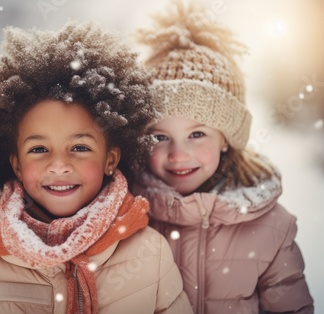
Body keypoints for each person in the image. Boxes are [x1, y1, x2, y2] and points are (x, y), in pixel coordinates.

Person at [0, 21, 193, 314]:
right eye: (39, 149)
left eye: (79, 148)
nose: (59, 165)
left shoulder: (150, 254)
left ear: (110, 159)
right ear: (17, 165)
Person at [131, 3, 314, 314]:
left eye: (197, 134)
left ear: (226, 139)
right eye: (159, 137)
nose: (177, 154)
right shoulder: (128, 216)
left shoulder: (270, 226)